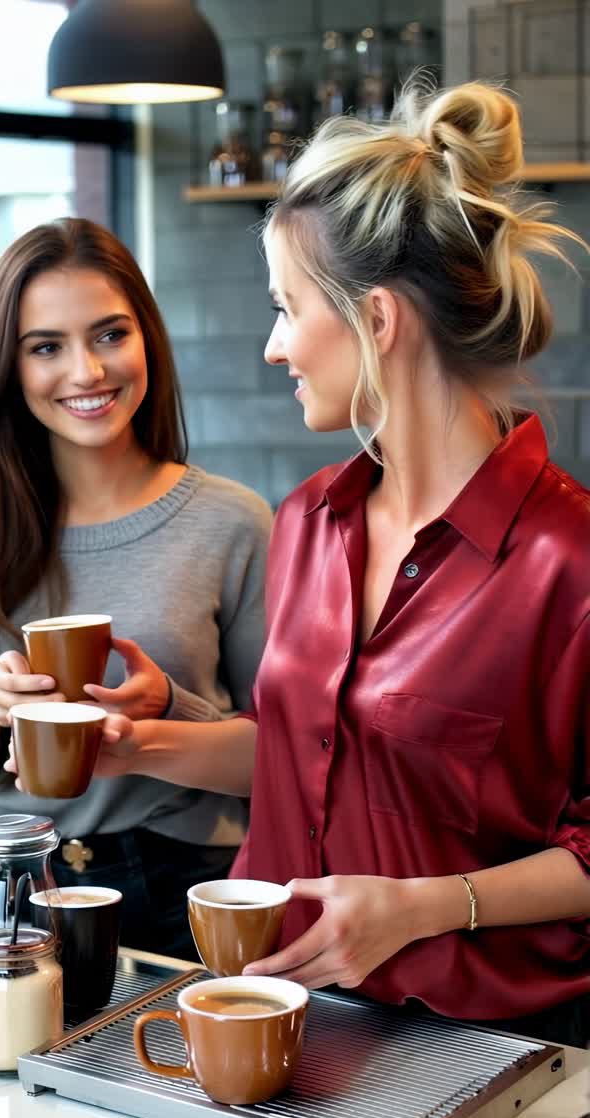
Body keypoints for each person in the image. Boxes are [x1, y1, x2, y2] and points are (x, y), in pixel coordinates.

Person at [67, 80, 590, 1046]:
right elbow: (309, 750)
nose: (272, 347)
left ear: (377, 322)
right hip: (291, 1017)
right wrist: (141, 744)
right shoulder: (311, 519)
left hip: (500, 1049)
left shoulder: (570, 562)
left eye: (287, 307)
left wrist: (429, 906)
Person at [0, 217, 272, 960]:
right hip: (10, 884)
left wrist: (165, 714)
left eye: (109, 335)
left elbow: (282, 761)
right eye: (46, 347)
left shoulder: (232, 521)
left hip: (187, 884)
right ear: (10, 368)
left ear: (147, 340)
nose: (87, 372)